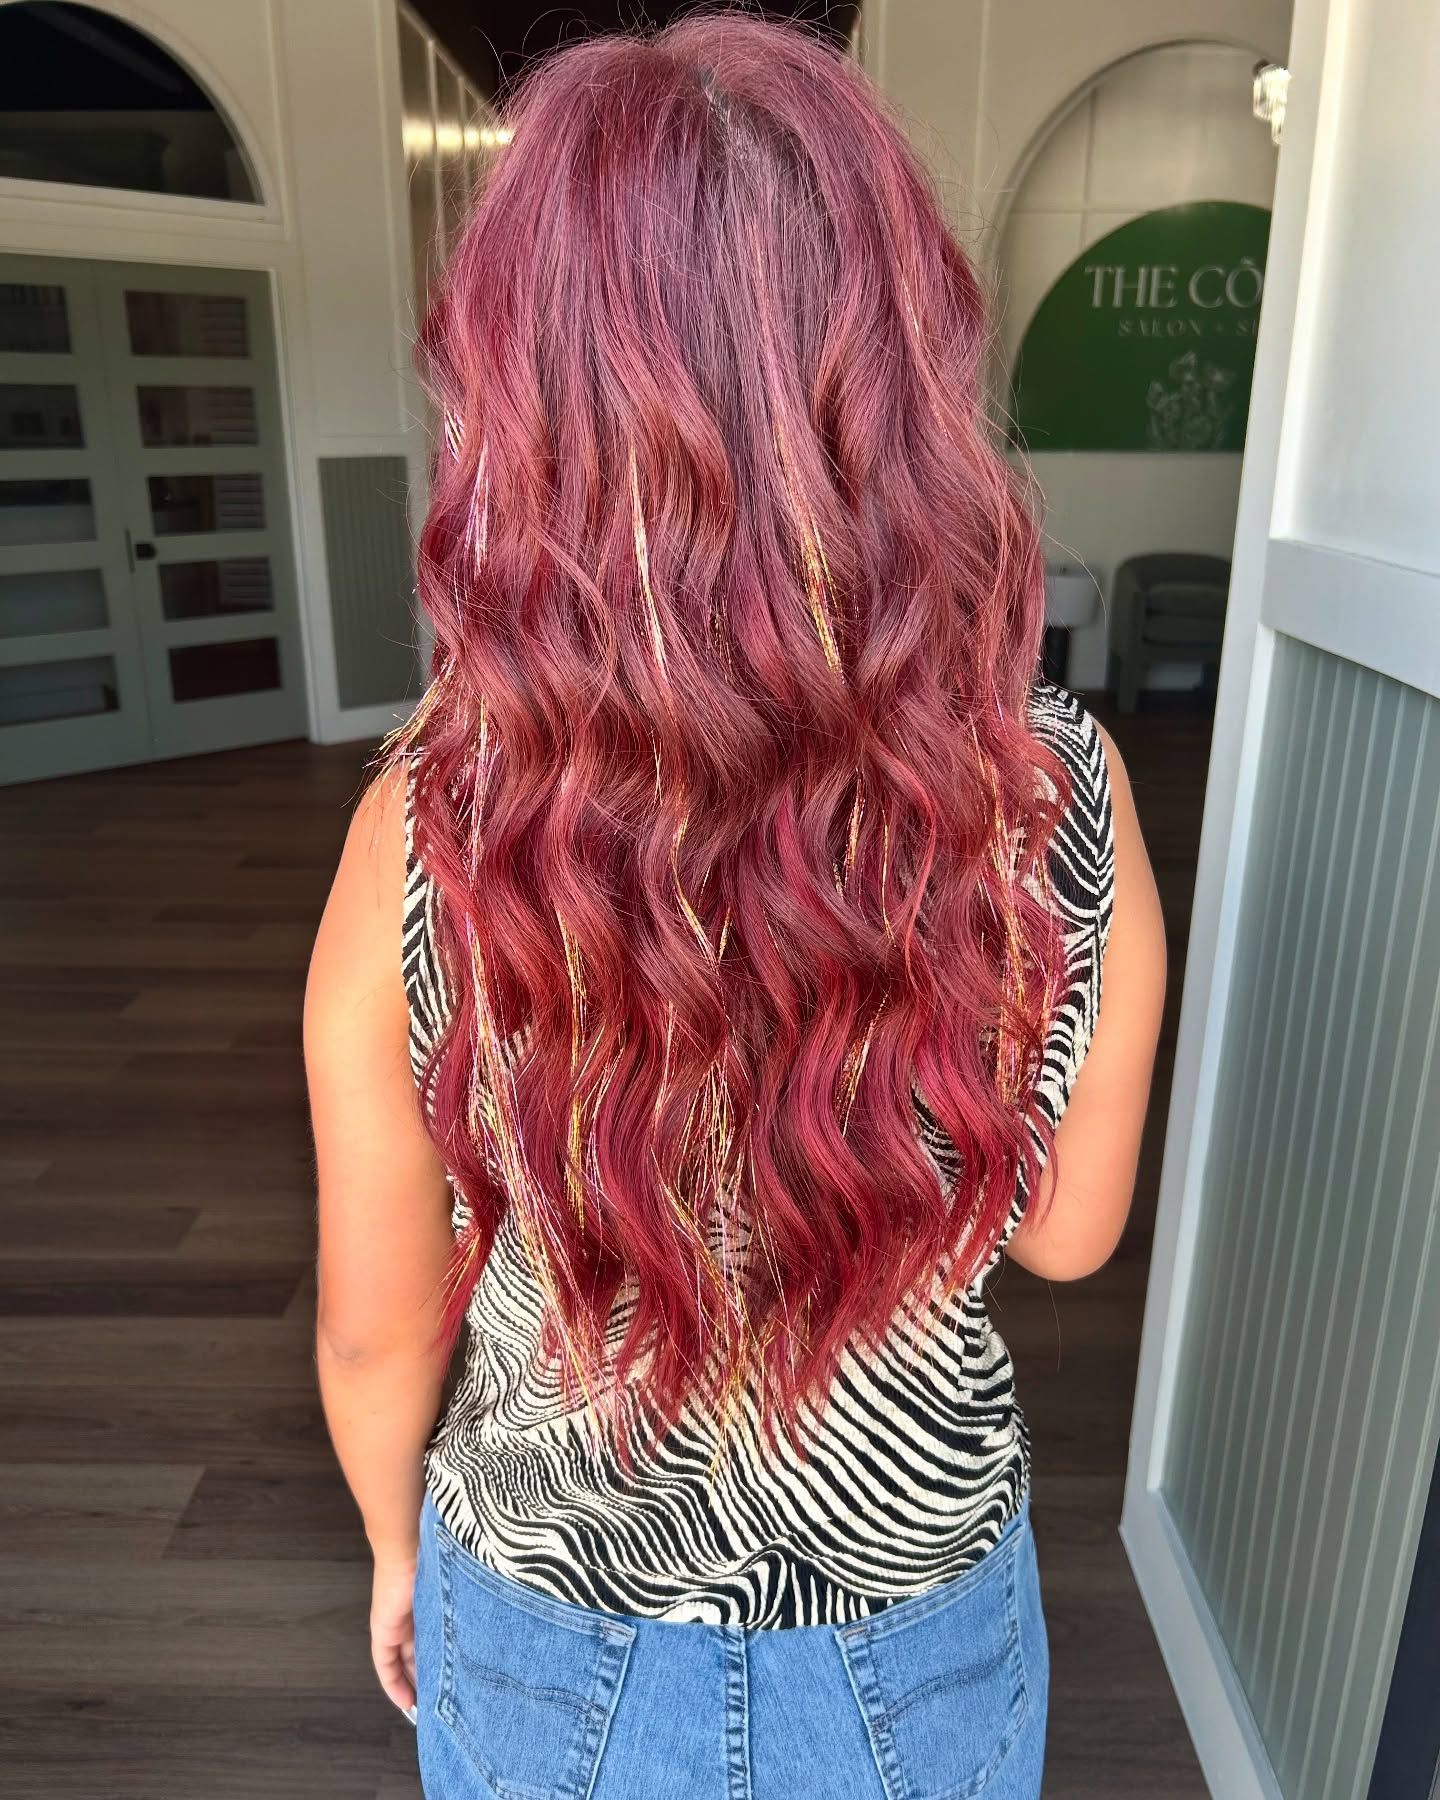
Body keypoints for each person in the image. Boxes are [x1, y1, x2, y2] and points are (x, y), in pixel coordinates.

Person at [304, 15, 1166, 1797]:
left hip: (543, 1625)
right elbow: (1071, 1235)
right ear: (900, 376)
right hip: (917, 1619)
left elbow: (378, 1321)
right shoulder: (1054, 785)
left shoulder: (427, 824)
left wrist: (396, 1547)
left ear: (526, 412)